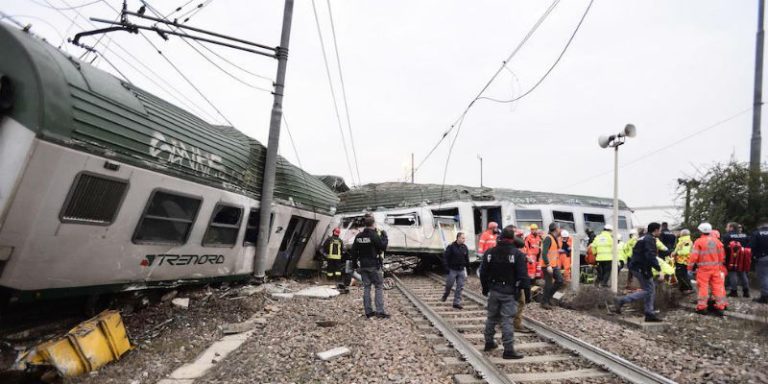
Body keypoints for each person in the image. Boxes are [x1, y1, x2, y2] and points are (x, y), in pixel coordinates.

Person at [480, 225, 530, 359]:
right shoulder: (517, 254)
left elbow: (483, 273)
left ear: (500, 237)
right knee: (507, 320)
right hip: (509, 291)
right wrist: (527, 294)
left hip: (494, 289)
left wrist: (485, 288)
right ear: (512, 239)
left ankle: (489, 342)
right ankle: (508, 350)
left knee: (491, 317)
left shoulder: (490, 252)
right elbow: (523, 276)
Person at [613, 222, 663, 322]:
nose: (660, 232)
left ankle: (649, 313)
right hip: (642, 267)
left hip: (637, 266)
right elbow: (650, 256)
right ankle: (622, 300)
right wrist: (659, 269)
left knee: (650, 289)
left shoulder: (643, 238)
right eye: (660, 230)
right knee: (649, 290)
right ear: (656, 230)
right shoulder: (650, 240)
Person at [350, 216, 390, 319]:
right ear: (373, 224)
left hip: (363, 266)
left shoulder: (359, 236)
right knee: (378, 286)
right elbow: (382, 246)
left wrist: (354, 264)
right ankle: (380, 311)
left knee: (367, 287)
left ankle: (368, 312)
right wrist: (385, 237)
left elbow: (353, 252)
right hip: (374, 265)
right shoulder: (374, 235)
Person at [688, 223, 727, 316]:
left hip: (703, 270)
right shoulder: (717, 241)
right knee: (718, 288)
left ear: (701, 231)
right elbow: (722, 257)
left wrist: (689, 267)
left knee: (703, 288)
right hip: (716, 269)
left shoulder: (698, 242)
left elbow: (694, 257)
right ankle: (720, 307)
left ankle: (702, 307)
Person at [511, 227, 533, 334]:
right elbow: (521, 272)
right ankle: (516, 324)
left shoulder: (509, 249)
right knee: (520, 301)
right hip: (516, 282)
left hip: (507, 281)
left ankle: (505, 322)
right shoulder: (517, 251)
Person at [722, 222, 751, 298]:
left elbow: (723, 247)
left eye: (727, 227)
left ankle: (734, 291)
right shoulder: (744, 235)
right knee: (743, 273)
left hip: (731, 258)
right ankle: (746, 292)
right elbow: (749, 246)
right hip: (742, 257)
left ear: (731, 227)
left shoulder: (727, 236)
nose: (726, 228)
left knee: (733, 274)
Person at [442, 232, 469, 309]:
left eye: (464, 238)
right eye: (463, 238)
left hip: (461, 270)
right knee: (449, 285)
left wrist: (468, 268)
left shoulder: (465, 247)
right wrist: (446, 268)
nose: (464, 240)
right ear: (458, 238)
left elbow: (467, 259)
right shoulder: (451, 247)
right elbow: (445, 258)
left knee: (460, 287)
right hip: (452, 270)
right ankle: (446, 294)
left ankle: (456, 303)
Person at [540, 223, 563, 309]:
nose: (560, 230)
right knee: (548, 284)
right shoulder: (548, 238)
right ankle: (544, 302)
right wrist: (548, 265)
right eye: (559, 228)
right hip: (547, 266)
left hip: (554, 265)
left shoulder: (554, 238)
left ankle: (548, 298)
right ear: (555, 229)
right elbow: (544, 253)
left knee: (560, 280)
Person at [751, 220, 768, 304]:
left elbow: (752, 246)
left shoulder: (757, 233)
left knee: (763, 277)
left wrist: (754, 256)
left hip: (762, 257)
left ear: (760, 226)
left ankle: (765, 296)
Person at [671, 229, 694, 293]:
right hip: (683, 260)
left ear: (682, 234)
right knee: (681, 274)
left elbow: (685, 251)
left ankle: (688, 288)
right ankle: (683, 288)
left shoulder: (685, 241)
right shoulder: (685, 240)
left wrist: (676, 253)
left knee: (682, 275)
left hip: (683, 261)